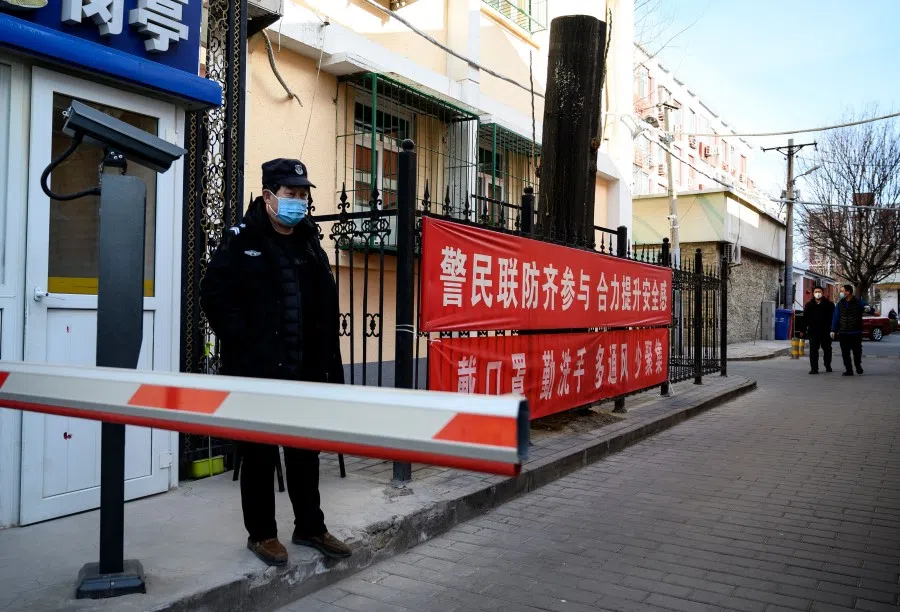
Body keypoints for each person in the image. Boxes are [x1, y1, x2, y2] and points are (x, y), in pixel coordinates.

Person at [200, 158, 351, 566]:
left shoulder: (308, 241)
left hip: (304, 371)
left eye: (303, 195)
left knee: (305, 452)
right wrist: (245, 342)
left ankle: (310, 527)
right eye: (291, 194)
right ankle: (262, 534)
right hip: (257, 372)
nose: (299, 202)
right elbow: (213, 295)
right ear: (269, 196)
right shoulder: (241, 239)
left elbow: (322, 306)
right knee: (259, 455)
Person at [831, 284, 867, 377]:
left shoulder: (858, 302)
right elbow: (836, 317)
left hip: (855, 332)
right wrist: (833, 330)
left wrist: (871, 310)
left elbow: (867, 307)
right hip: (843, 332)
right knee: (845, 352)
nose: (841, 293)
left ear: (848, 292)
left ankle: (858, 365)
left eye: (842, 291)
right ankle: (849, 370)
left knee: (857, 351)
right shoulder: (840, 304)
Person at [802, 285, 835, 374]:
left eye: (819, 292)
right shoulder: (809, 305)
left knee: (827, 349)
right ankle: (814, 368)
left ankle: (827, 365)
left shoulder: (829, 304)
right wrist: (802, 330)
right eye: (816, 292)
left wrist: (833, 329)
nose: (818, 294)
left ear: (823, 293)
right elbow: (805, 318)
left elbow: (834, 318)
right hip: (813, 331)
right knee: (813, 350)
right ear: (813, 293)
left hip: (826, 331)